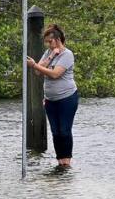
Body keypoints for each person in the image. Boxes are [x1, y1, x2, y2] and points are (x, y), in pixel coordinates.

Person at [26, 24, 78, 167]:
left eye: (50, 41)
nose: (48, 44)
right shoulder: (49, 52)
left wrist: (35, 65)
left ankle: (67, 162)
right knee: (55, 131)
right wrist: (51, 55)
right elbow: (38, 72)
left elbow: (55, 74)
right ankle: (60, 161)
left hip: (67, 98)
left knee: (64, 130)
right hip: (50, 100)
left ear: (58, 40)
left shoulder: (67, 54)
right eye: (46, 42)